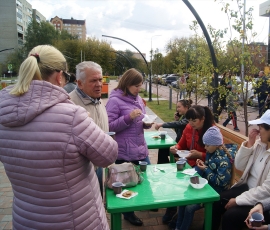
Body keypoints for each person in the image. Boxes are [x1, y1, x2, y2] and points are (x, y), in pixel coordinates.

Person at [0, 45, 118, 230]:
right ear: (59, 76)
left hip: (26, 219)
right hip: (74, 220)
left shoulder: (3, 115)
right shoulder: (72, 115)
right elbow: (109, 155)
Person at [106, 68, 153, 226]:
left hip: (140, 147)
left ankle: (147, 202)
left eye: (140, 86)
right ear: (127, 84)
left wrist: (146, 123)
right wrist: (128, 117)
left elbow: (140, 119)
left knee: (147, 179)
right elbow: (109, 126)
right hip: (124, 151)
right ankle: (128, 213)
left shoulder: (138, 98)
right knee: (126, 183)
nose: (139, 89)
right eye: (136, 86)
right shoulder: (114, 100)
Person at [211, 109, 270, 230]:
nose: (258, 131)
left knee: (230, 216)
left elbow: (266, 190)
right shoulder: (259, 145)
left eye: (261, 127)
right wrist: (249, 144)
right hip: (247, 188)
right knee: (217, 200)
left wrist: (238, 200)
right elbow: (239, 165)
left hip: (261, 199)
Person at [162, 105, 215, 225]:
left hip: (202, 165)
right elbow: (181, 145)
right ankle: (174, 217)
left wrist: (199, 155)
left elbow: (215, 156)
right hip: (189, 162)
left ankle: (177, 221)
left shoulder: (211, 131)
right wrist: (175, 148)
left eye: (194, 121)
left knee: (184, 188)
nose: (191, 123)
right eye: (189, 120)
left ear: (203, 119)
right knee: (172, 179)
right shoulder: (189, 127)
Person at [174, 126, 235, 230]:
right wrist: (203, 165)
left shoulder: (223, 160)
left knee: (189, 207)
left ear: (216, 144)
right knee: (183, 201)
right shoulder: (211, 153)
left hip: (214, 193)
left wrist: (205, 169)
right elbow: (209, 167)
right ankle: (177, 227)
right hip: (206, 187)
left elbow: (220, 182)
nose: (205, 148)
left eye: (207, 145)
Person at [69, 61, 109, 197]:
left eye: (100, 79)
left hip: (99, 165)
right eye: (93, 81)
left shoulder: (97, 100)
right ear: (79, 83)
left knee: (99, 202)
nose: (99, 84)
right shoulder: (70, 105)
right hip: (82, 172)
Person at [155, 99, 192, 164]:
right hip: (179, 144)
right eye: (177, 107)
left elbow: (180, 124)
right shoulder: (184, 117)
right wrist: (177, 120)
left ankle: (165, 168)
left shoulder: (189, 118)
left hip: (184, 148)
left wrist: (162, 124)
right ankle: (165, 168)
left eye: (179, 107)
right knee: (163, 149)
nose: (177, 109)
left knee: (163, 150)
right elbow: (178, 132)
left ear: (186, 107)